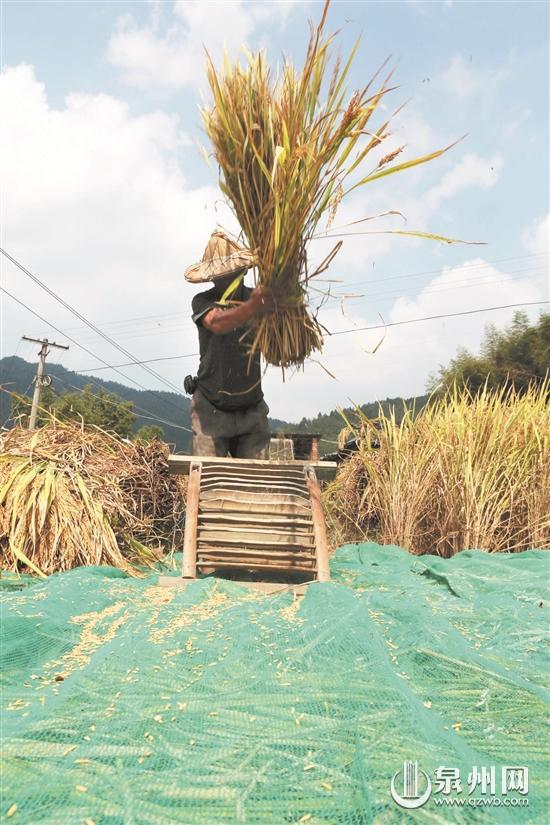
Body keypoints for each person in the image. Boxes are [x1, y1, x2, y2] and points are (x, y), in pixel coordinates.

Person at [184, 230, 275, 459]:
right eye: (217, 276)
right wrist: (251, 308)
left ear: (242, 271)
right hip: (211, 409)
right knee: (210, 484)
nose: (222, 280)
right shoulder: (203, 301)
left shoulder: (257, 299)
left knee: (256, 488)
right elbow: (216, 323)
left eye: (228, 274)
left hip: (251, 410)